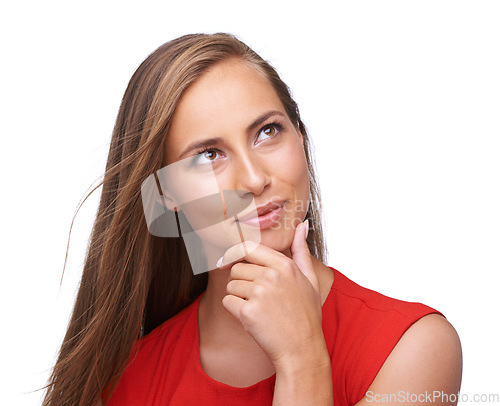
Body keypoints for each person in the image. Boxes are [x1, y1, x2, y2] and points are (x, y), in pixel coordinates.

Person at [42, 33, 462, 406]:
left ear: (300, 135)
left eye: (267, 131)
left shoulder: (412, 348)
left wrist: (303, 360)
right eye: (209, 155)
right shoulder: (121, 386)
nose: (255, 179)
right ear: (165, 194)